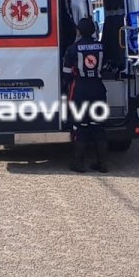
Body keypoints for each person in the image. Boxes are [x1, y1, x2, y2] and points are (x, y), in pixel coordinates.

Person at [62, 18, 109, 173]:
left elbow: (67, 73)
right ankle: (102, 164)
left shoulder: (73, 48)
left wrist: (65, 87)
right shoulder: (102, 47)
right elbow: (108, 66)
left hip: (80, 89)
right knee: (98, 126)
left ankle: (78, 164)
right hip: (98, 88)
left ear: (79, 31)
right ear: (94, 30)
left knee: (80, 126)